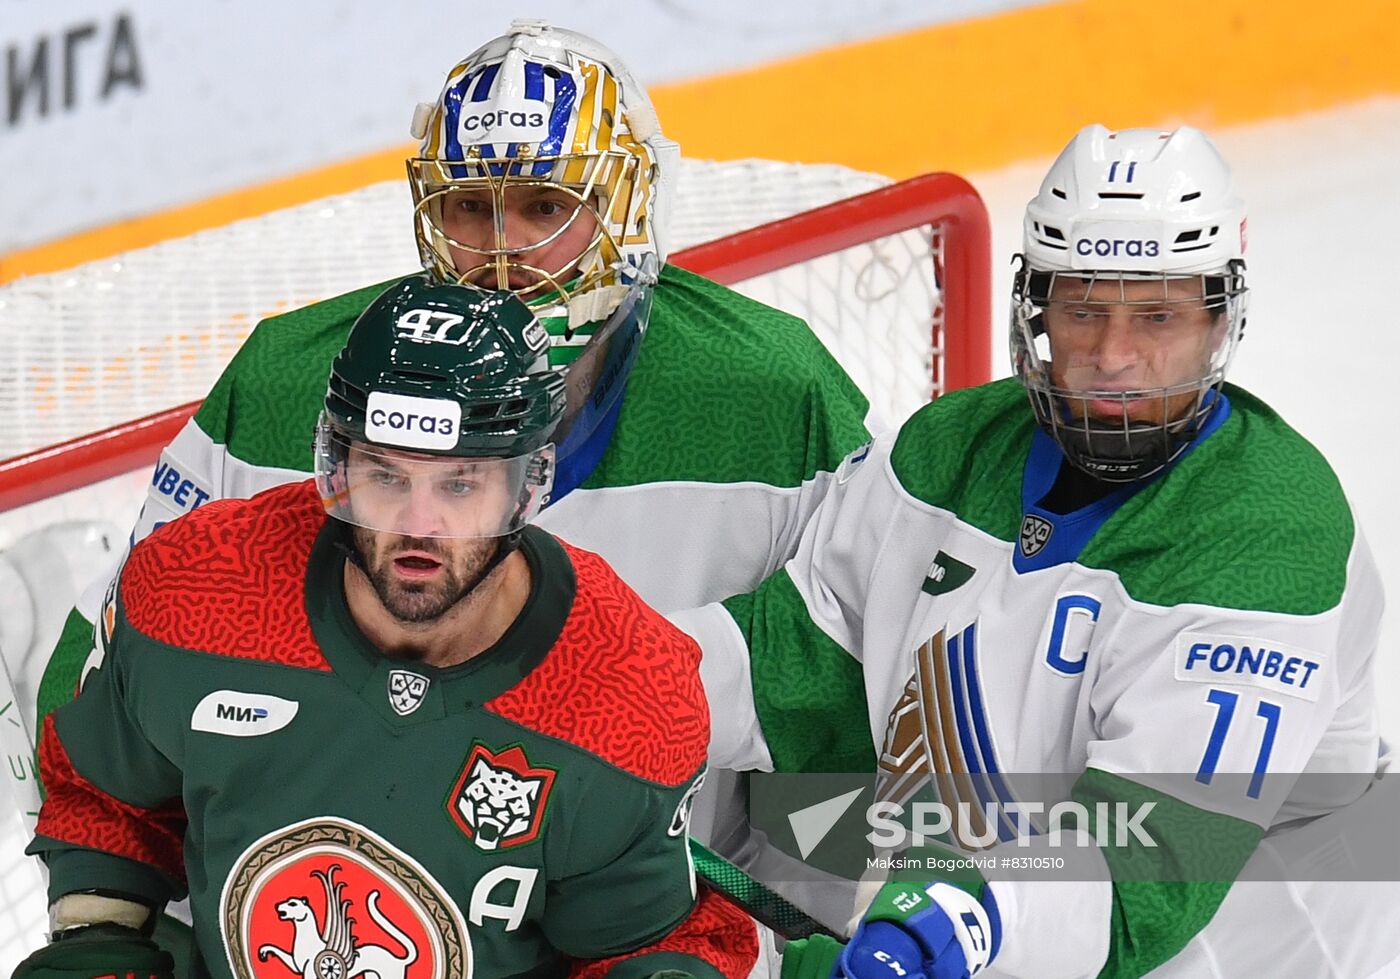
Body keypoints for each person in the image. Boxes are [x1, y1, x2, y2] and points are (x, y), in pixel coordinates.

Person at [34, 17, 872, 946]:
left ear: (627, 215)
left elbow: (847, 686)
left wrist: (774, 926)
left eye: (546, 207)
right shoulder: (285, 384)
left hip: (626, 931)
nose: (504, 257)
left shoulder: (770, 394)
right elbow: (125, 670)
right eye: (471, 208)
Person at [675, 124, 1396, 977]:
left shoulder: (1272, 535)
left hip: (1245, 954)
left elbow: (1147, 869)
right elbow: (791, 662)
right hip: (993, 917)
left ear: (1217, 318)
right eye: (1084, 308)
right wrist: (613, 680)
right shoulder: (948, 453)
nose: (1113, 356)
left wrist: (953, 920)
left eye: (1156, 315)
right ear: (1039, 308)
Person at [14, 281, 758, 979]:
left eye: (459, 482)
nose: (418, 524)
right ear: (336, 466)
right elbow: (109, 801)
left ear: (528, 484)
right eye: (386, 475)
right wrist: (97, 939)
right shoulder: (199, 588)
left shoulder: (625, 686)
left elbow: (642, 942)